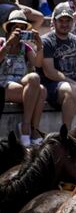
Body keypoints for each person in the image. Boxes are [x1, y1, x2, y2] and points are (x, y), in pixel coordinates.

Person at [0, 10, 45, 147]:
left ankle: (32, 128)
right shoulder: (1, 42)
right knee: (40, 91)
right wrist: (8, 44)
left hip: (20, 83)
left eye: (22, 28)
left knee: (40, 86)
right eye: (15, 27)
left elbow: (38, 64)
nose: (19, 31)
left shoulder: (25, 48)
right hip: (3, 85)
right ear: (9, 28)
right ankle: (27, 128)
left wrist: (39, 45)